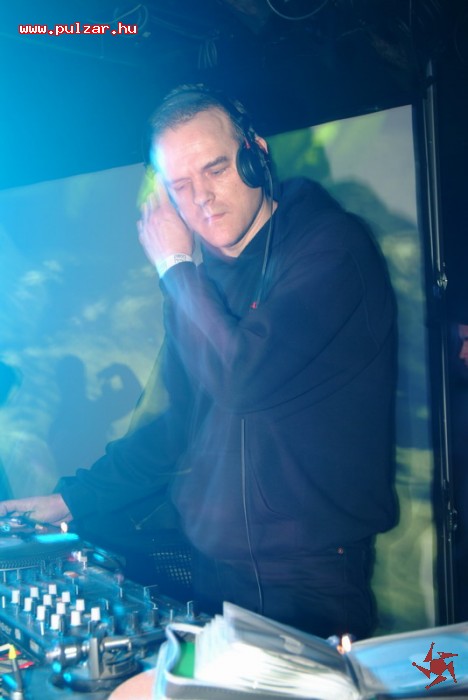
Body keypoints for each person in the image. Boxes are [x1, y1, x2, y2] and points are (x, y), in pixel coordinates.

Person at [0, 85, 397, 639]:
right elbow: (180, 428)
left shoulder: (330, 250)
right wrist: (70, 500)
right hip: (214, 576)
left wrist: (174, 267)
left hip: (311, 582)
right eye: (181, 186)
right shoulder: (199, 283)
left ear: (256, 155)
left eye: (215, 169)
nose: (203, 198)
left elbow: (242, 380)